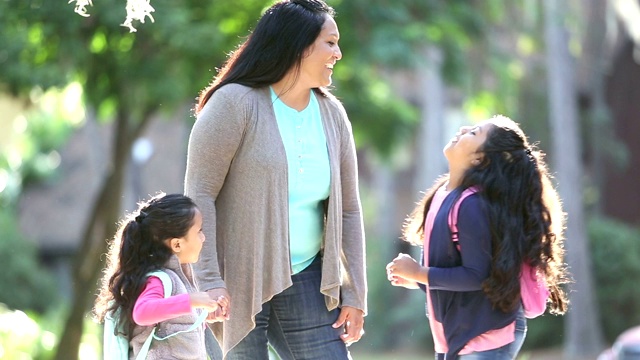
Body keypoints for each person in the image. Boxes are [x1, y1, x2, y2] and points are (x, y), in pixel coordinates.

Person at [183, 0, 367, 359]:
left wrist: (354, 294)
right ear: (297, 45)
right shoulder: (235, 103)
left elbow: (349, 212)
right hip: (235, 278)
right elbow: (200, 194)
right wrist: (209, 280)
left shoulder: (332, 114)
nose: (338, 53)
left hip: (308, 275)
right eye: (330, 42)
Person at [386, 115, 569, 359]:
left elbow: (476, 275)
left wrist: (420, 273)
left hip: (486, 336)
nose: (462, 129)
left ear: (479, 158)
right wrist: (419, 280)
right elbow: (464, 270)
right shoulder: (443, 194)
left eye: (473, 133)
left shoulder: (470, 204)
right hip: (460, 335)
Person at [93, 193, 224, 359]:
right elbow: (142, 313)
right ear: (177, 244)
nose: (203, 238)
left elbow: (174, 325)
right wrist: (192, 301)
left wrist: (203, 313)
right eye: (199, 231)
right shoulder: (160, 280)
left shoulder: (181, 277)